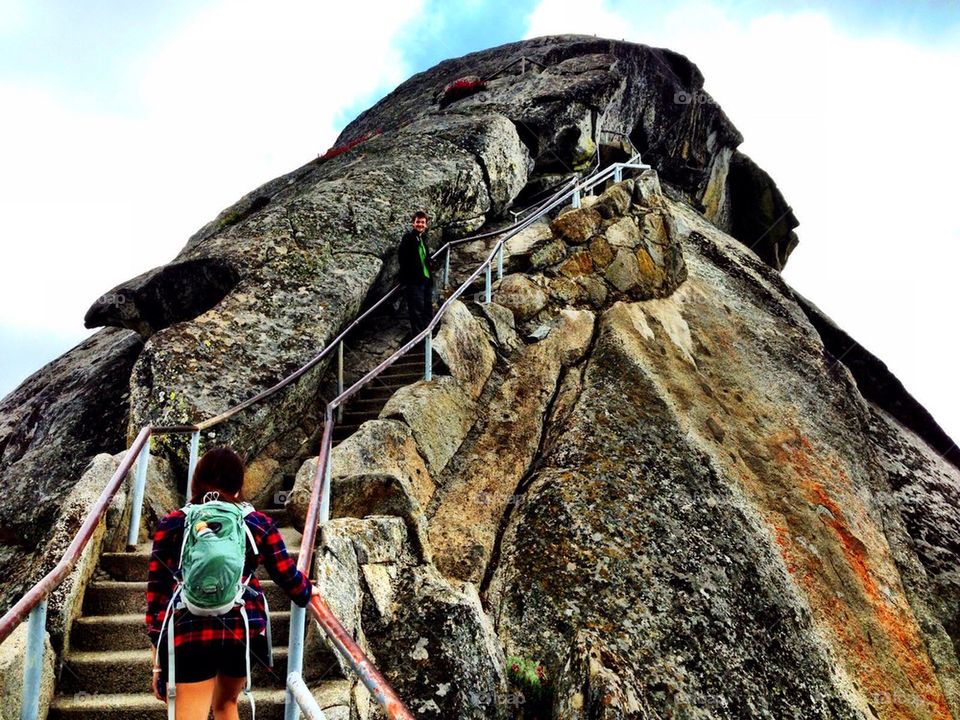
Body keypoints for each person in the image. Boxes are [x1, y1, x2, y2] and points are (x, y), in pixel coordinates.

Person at [145, 447, 319, 720]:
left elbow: (157, 594)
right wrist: (309, 591)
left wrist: (158, 662)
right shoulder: (256, 522)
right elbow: (287, 576)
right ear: (238, 485)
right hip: (242, 628)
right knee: (226, 704)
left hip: (190, 630)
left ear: (197, 481)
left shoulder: (173, 523)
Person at [397, 210, 435, 337]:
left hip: (426, 279)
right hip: (414, 281)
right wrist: (409, 275)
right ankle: (419, 337)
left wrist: (429, 261)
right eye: (418, 222)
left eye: (423, 222)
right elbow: (402, 258)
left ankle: (429, 331)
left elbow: (424, 256)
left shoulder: (422, 238)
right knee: (417, 309)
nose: (420, 225)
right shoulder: (408, 238)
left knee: (427, 307)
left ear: (426, 225)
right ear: (413, 223)